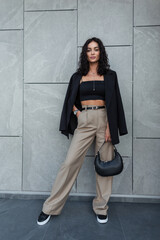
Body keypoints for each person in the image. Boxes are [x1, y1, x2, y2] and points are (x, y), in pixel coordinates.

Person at [37, 37, 128, 225]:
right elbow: (70, 100)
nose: (93, 52)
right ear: (85, 53)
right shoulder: (77, 76)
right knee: (69, 163)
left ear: (101, 52)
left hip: (105, 121)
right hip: (85, 120)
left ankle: (101, 207)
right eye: (89, 49)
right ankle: (50, 207)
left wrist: (112, 126)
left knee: (105, 165)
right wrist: (78, 113)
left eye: (96, 49)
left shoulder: (110, 76)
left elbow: (116, 102)